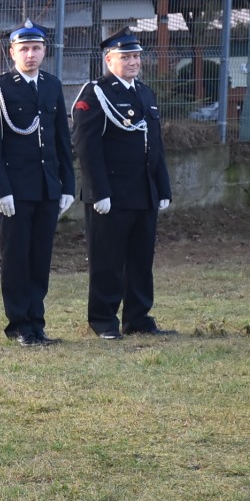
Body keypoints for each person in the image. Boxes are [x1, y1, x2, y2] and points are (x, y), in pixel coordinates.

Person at [0, 24, 77, 346]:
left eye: (36, 48)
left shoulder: (51, 85)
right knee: (17, 258)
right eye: (24, 49)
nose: (30, 54)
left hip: (47, 187)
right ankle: (19, 324)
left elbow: (61, 139)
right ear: (12, 53)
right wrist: (1, 190)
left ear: (45, 50)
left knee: (40, 258)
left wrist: (67, 185)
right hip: (16, 189)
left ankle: (37, 322)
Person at [72, 31, 175, 338]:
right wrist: (98, 191)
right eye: (126, 57)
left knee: (141, 259)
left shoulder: (144, 93)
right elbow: (87, 146)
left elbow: (155, 144)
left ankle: (137, 318)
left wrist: (162, 187)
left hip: (143, 191)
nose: (133, 62)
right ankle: (103, 320)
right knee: (107, 259)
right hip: (112, 194)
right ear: (109, 60)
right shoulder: (96, 93)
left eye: (136, 56)